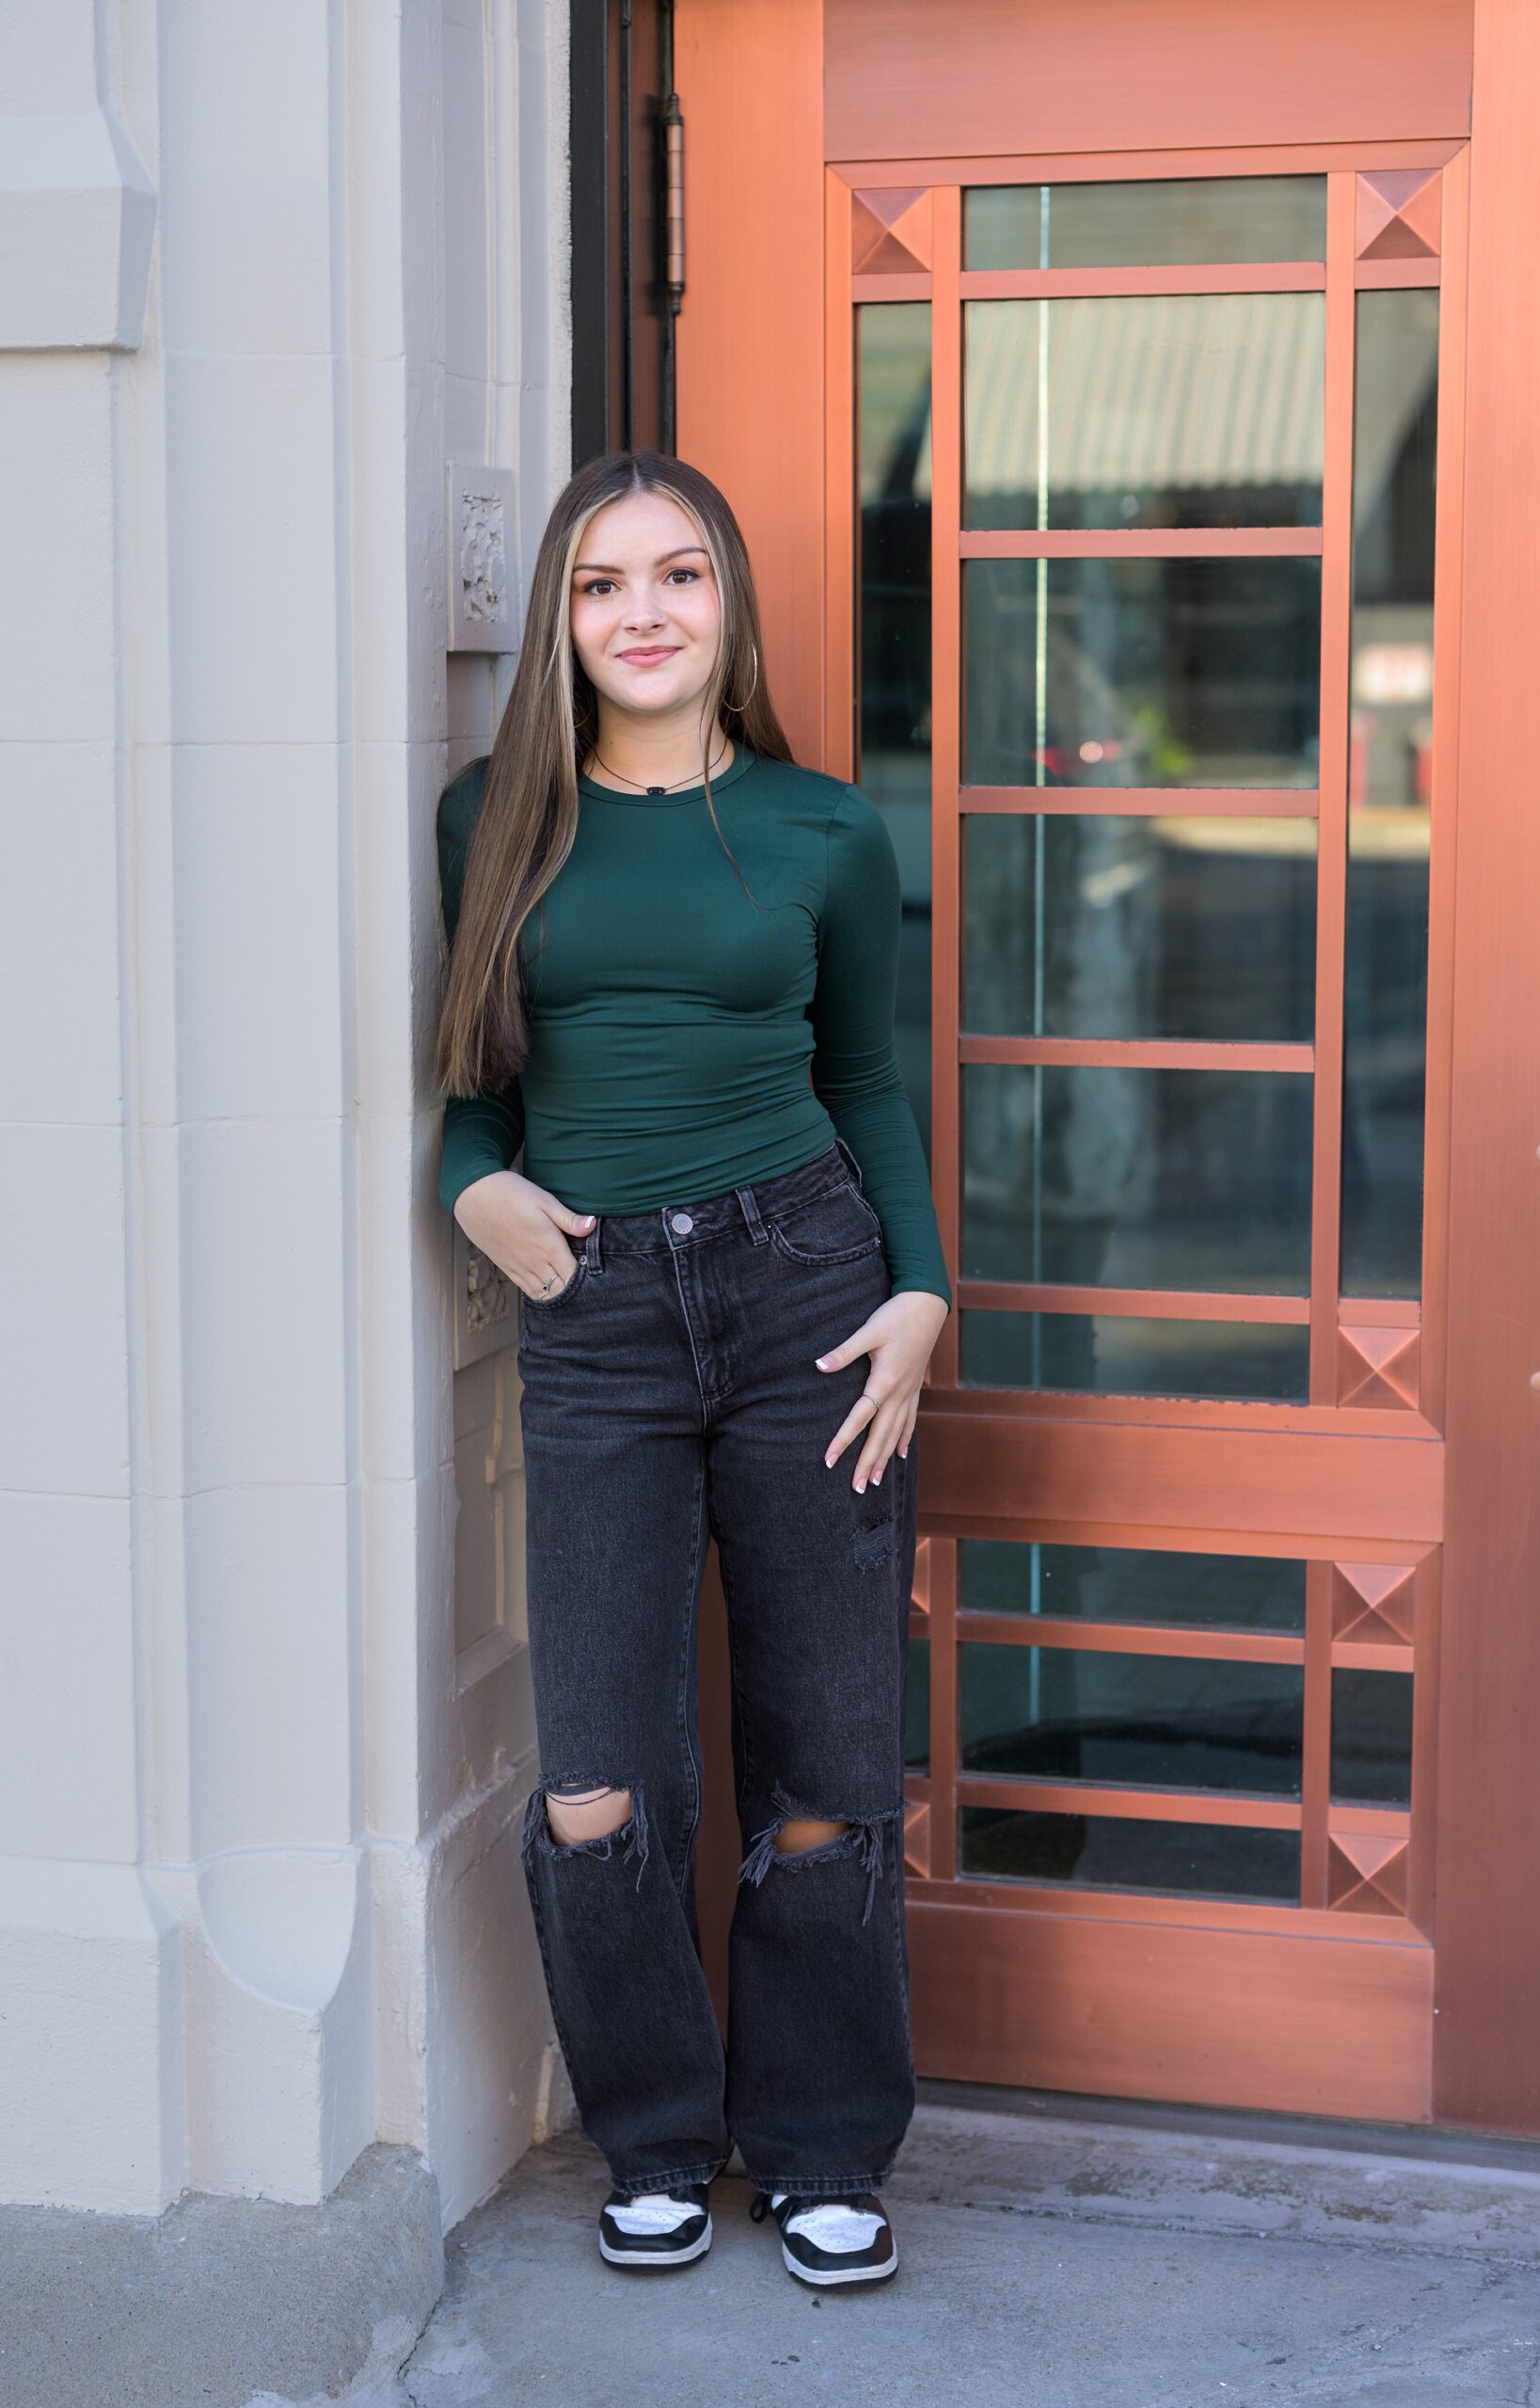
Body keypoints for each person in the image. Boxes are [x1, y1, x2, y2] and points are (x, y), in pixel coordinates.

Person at [433, 450, 951, 2288]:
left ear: (727, 607)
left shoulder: (821, 827)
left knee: (821, 1763)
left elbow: (867, 1080)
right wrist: (472, 1188)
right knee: (597, 1773)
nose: (638, 611)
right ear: (559, 625)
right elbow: (473, 1088)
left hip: (810, 1290)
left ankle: (818, 2146)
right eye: (597, 583)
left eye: (675, 575)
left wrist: (922, 1288)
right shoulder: (492, 813)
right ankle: (652, 2135)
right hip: (598, 1319)